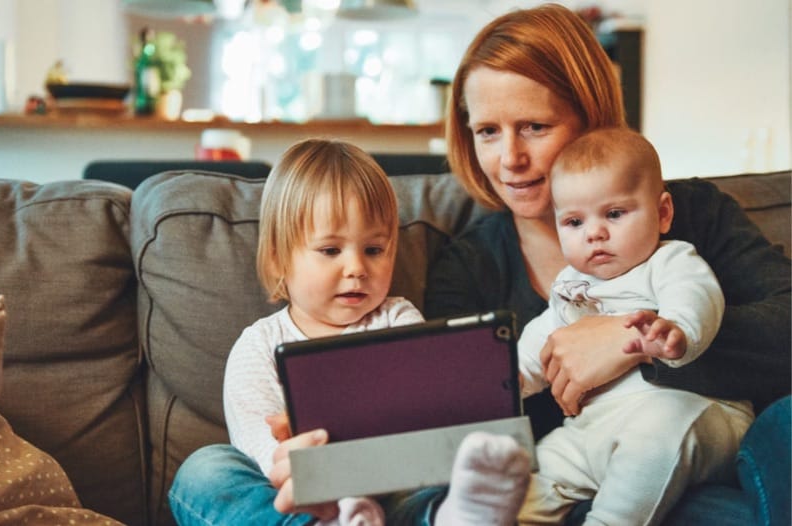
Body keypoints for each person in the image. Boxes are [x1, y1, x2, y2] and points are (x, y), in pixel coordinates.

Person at [422, 3, 790, 524]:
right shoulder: (468, 265)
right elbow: (463, 408)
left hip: (712, 453)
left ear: (589, 118)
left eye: (533, 126)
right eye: (487, 131)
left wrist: (630, 342)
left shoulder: (692, 215)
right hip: (580, 479)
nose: (510, 159)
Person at [169, 138, 530, 526]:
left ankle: (455, 517)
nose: (356, 267)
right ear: (278, 259)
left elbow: (421, 416)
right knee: (205, 469)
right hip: (301, 496)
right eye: (330, 250)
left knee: (436, 480)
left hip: (391, 487)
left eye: (374, 250)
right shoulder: (258, 346)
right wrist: (307, 465)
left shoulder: (398, 320)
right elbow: (261, 451)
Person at [514, 126, 754, 525]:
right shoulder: (570, 286)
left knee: (654, 436)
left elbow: (696, 295)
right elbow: (545, 339)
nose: (595, 233)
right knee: (532, 475)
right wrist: (510, 379)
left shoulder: (670, 260)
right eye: (574, 222)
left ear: (663, 213)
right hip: (594, 430)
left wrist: (677, 330)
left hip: (690, 413)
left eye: (614, 214)